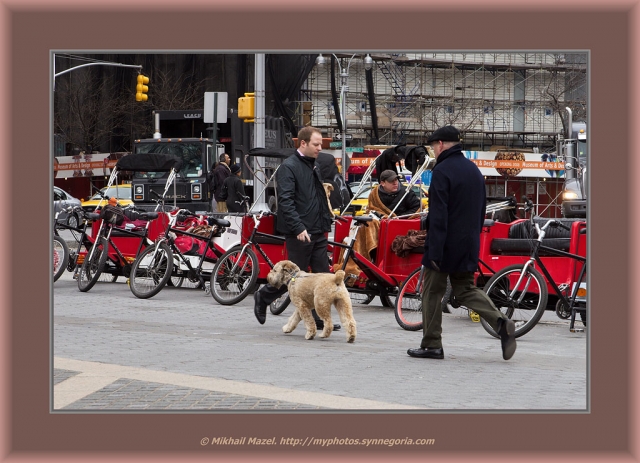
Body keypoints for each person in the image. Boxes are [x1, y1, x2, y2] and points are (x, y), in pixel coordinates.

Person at [407, 125, 516, 361]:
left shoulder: (442, 171)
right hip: (468, 242)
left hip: (444, 245)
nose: (434, 151)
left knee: (432, 292)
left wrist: (434, 250)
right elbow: (480, 211)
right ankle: (500, 322)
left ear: (441, 145)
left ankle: (431, 344)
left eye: (434, 146)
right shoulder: (473, 171)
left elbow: (439, 215)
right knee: (466, 289)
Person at [253, 126, 340, 331]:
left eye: (320, 144)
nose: (320, 148)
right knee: (294, 277)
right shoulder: (289, 167)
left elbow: (317, 197)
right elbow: (285, 201)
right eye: (316, 144)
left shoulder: (314, 166)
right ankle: (263, 296)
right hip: (299, 232)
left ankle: (320, 318)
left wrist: (327, 217)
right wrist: (298, 227)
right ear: (303, 143)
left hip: (317, 229)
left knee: (322, 277)